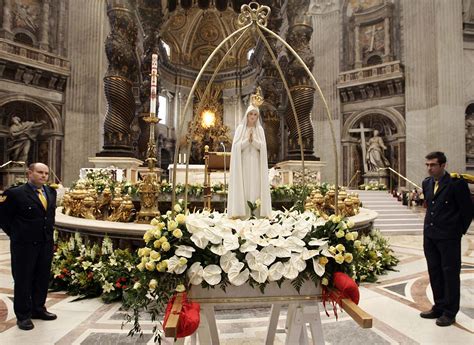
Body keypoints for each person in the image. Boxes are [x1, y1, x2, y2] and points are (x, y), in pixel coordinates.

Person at [0, 163, 58, 330]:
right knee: (23, 280)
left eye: (46, 173)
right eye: (40, 172)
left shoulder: (50, 192)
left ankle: (38, 308)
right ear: (29, 173)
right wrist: (18, 234)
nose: (44, 176)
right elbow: (3, 218)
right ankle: (23, 315)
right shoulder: (15, 193)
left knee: (41, 278)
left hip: (45, 243)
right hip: (24, 245)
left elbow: (49, 217)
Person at [420, 152, 473, 326]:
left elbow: (467, 211)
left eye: (433, 165)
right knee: (434, 271)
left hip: (449, 237)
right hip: (430, 236)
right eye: (427, 165)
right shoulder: (426, 183)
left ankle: (450, 312)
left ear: (443, 165)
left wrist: (458, 231)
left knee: (449, 273)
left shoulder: (456, 184)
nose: (429, 168)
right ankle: (439, 306)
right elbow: (431, 208)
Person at [227, 104, 272, 218]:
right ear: (247, 115)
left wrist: (254, 141)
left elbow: (263, 148)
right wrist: (247, 141)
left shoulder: (260, 130)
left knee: (255, 186)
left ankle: (256, 213)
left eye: (255, 114)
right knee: (244, 186)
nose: (253, 116)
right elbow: (236, 147)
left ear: (257, 117)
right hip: (243, 164)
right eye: (251, 114)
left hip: (256, 164)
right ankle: (243, 213)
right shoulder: (240, 129)